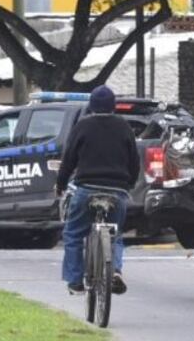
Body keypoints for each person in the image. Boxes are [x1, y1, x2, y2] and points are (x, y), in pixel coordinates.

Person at [56, 85, 140, 296]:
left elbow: (68, 161)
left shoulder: (82, 127)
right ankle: (116, 270)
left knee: (73, 234)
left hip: (86, 189)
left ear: (91, 106)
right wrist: (128, 184)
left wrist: (61, 184)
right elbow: (134, 162)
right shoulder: (124, 127)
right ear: (114, 106)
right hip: (117, 190)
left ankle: (75, 281)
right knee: (116, 234)